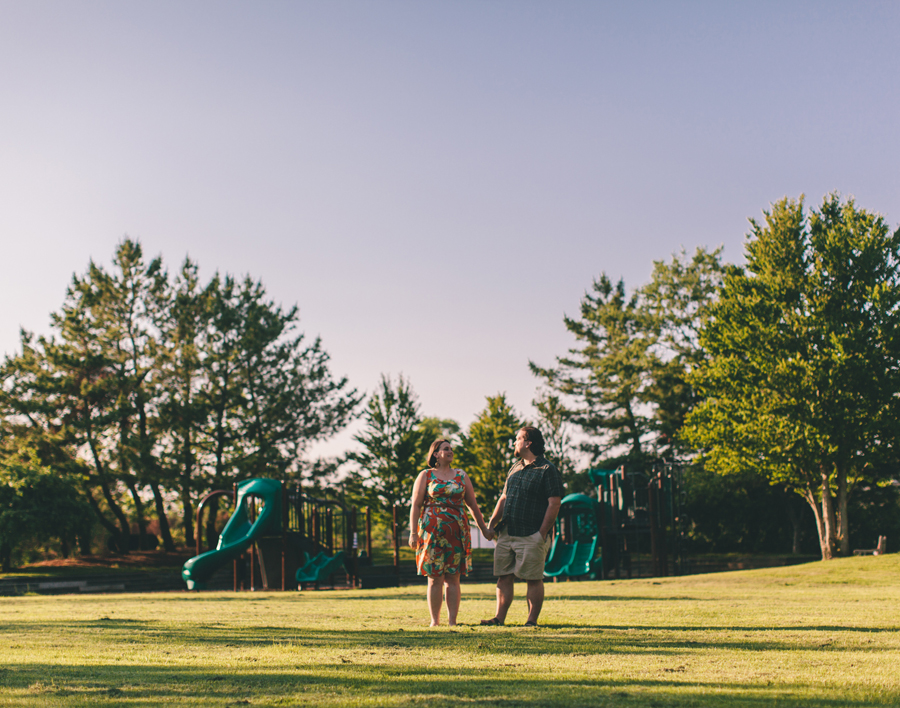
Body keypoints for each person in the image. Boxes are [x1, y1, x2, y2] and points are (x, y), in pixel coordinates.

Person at [482, 426, 563, 627]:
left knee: (533, 579)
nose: (515, 442)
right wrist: (491, 524)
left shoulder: (547, 469)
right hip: (506, 533)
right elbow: (503, 497)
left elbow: (554, 503)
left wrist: (541, 534)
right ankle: (498, 618)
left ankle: (531, 621)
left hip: (532, 534)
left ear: (528, 443)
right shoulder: (515, 468)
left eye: (518, 438)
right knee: (503, 577)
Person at [409, 438, 493, 626]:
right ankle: (434, 621)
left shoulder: (461, 476)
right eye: (445, 449)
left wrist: (484, 529)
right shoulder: (426, 475)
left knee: (453, 578)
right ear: (436, 454)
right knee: (434, 577)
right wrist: (413, 533)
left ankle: (452, 621)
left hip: (457, 534)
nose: (450, 451)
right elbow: (415, 505)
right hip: (431, 534)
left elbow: (472, 505)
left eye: (451, 449)